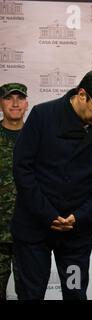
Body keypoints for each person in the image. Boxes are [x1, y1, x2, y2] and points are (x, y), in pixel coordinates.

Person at [11, 66, 92, 300]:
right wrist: (47, 214)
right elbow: (23, 169)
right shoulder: (43, 116)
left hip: (76, 234)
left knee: (74, 291)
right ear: (82, 94)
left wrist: (80, 216)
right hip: (34, 229)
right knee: (31, 293)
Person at [0, 83, 28, 300]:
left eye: (20, 98)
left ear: (27, 104)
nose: (15, 103)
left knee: (29, 292)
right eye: (9, 98)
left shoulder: (37, 137)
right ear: (1, 103)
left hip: (28, 232)